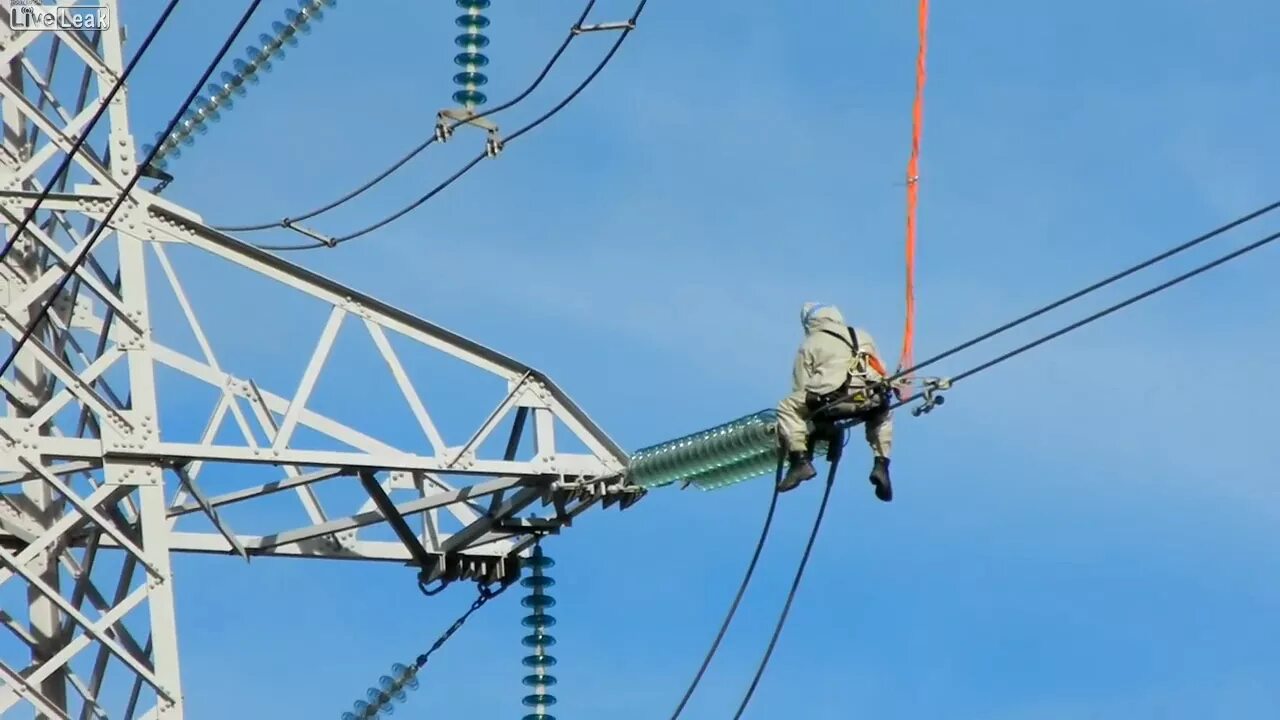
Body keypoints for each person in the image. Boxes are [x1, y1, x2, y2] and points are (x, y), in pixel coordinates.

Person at [775, 302, 894, 501]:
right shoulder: (863, 335)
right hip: (870, 396)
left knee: (788, 406)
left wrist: (808, 424)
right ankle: (881, 464)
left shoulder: (812, 342)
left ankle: (799, 461)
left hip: (833, 397)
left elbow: (801, 386)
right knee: (883, 414)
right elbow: (880, 367)